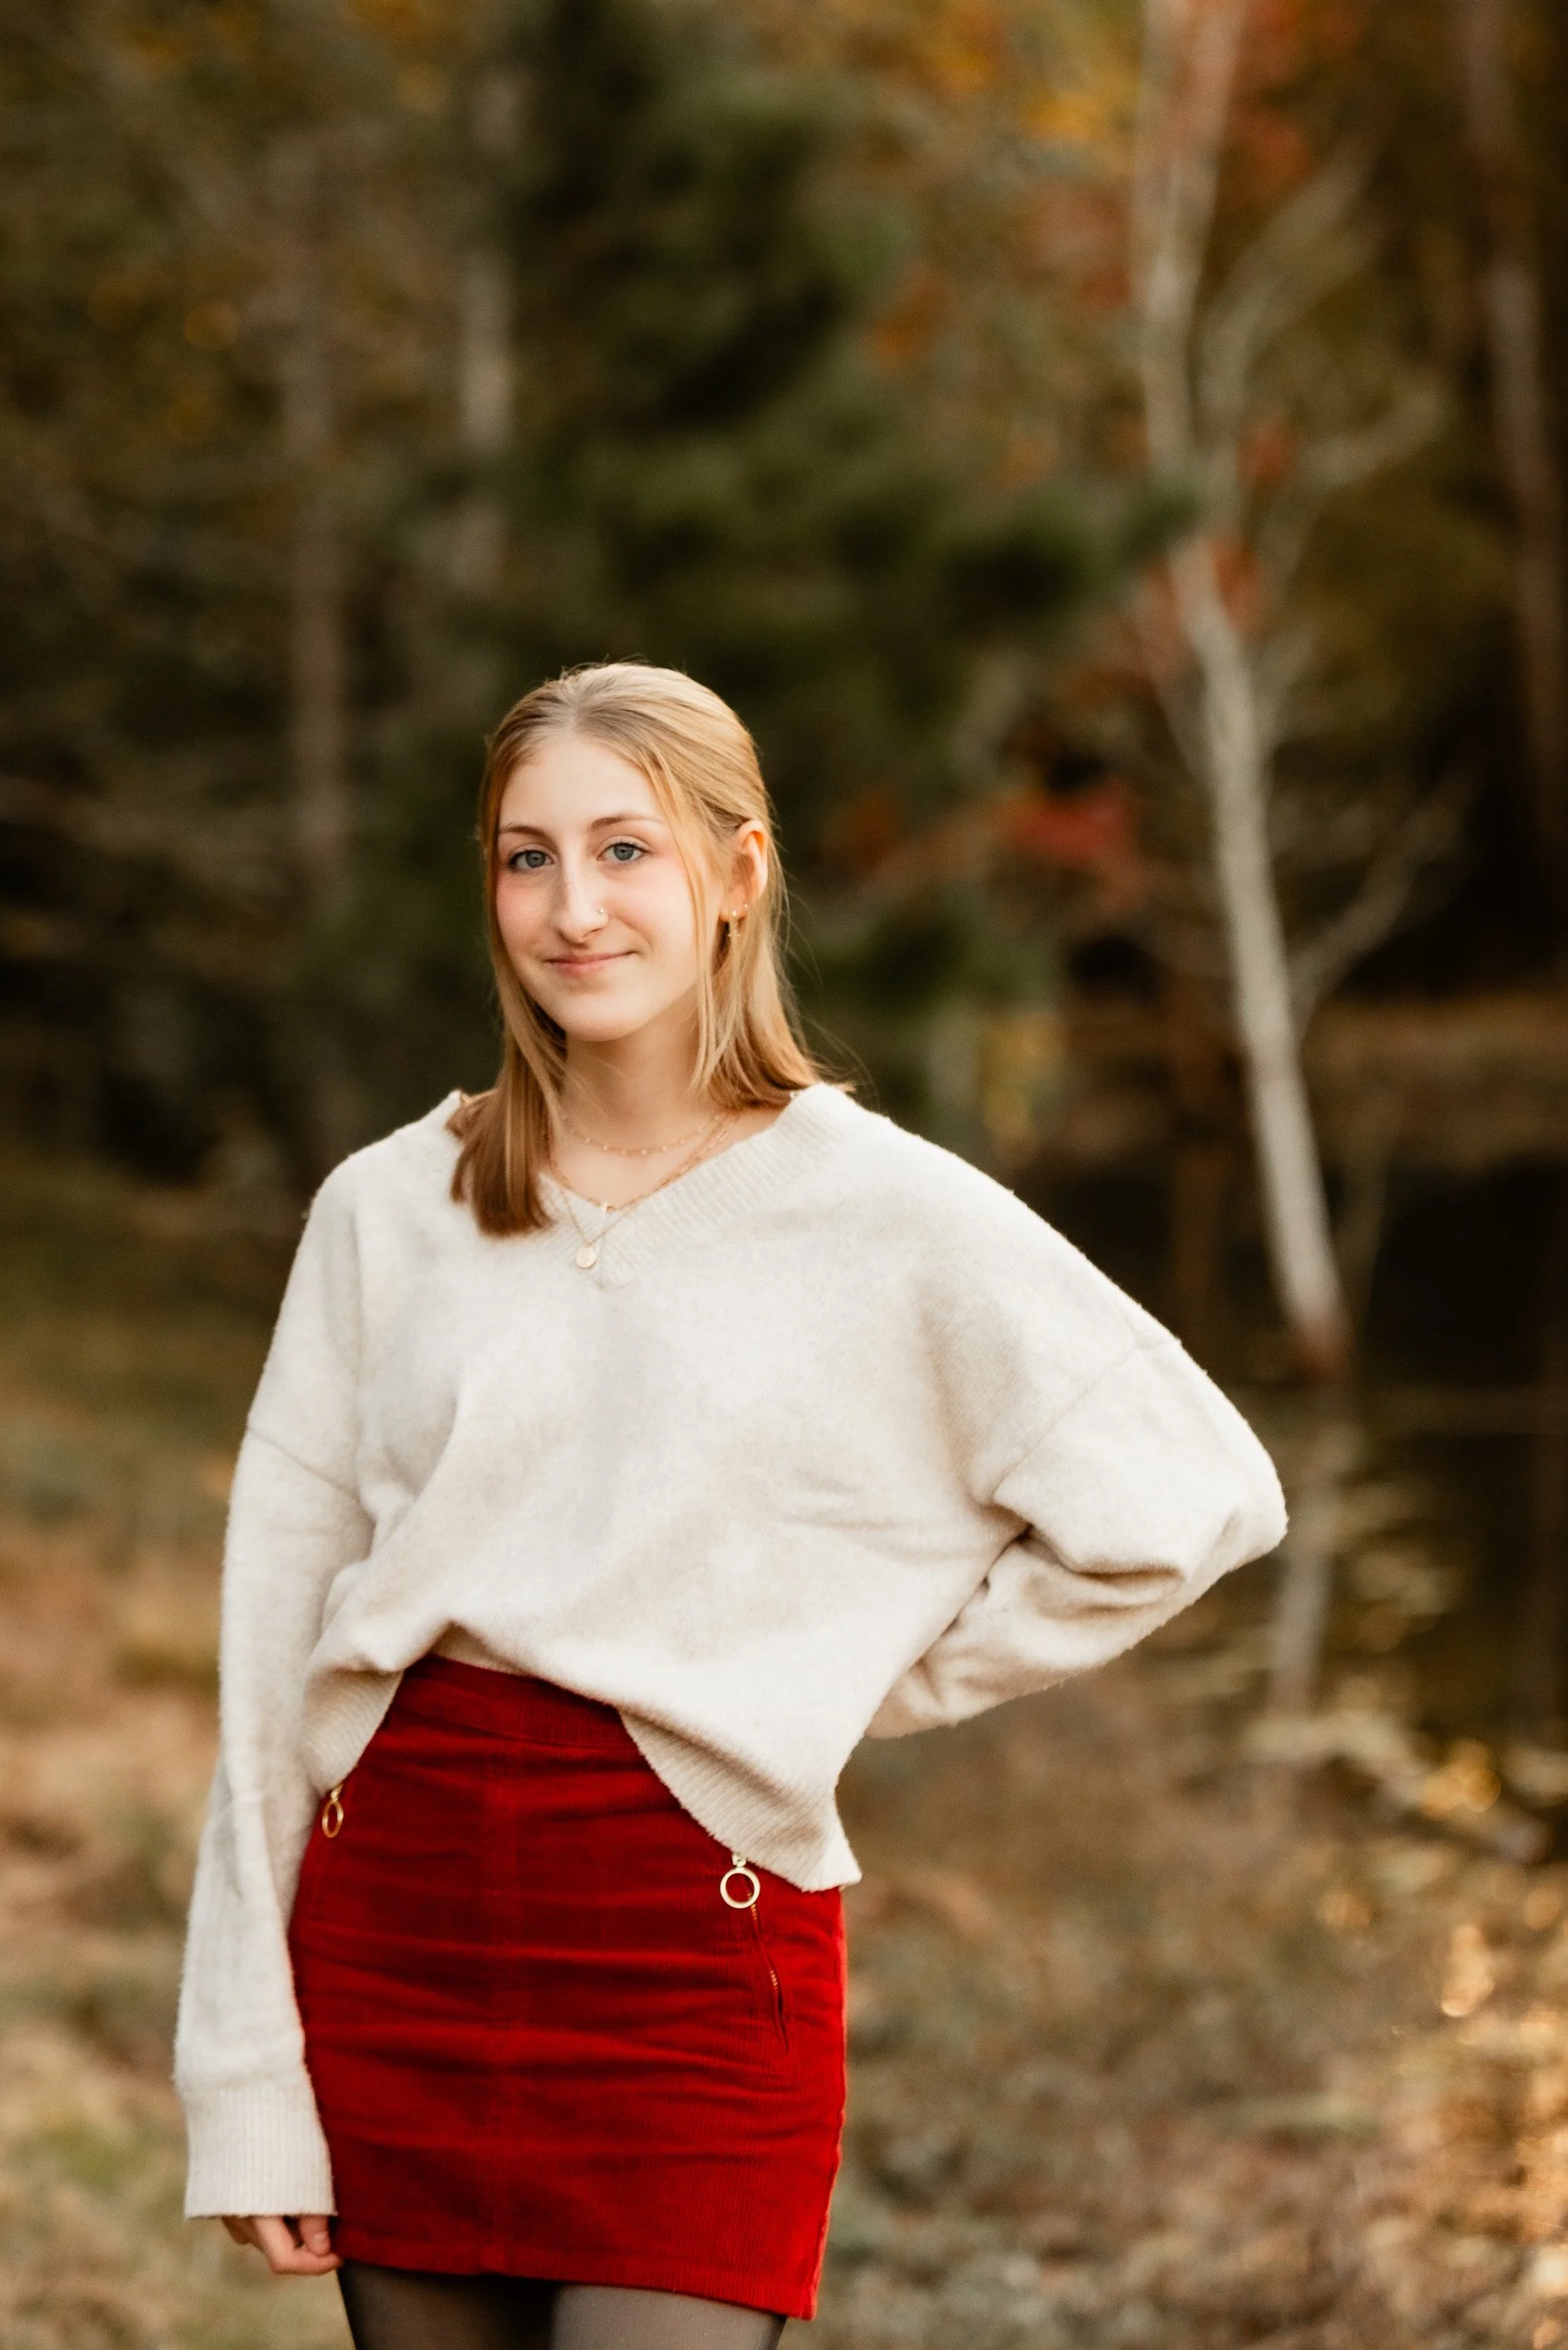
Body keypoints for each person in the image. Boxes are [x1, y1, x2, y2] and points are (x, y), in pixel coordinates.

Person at [173, 661, 1287, 2349]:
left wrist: (829, 1676)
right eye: (525, 855)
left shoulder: (885, 1212)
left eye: (625, 849)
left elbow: (1188, 1496)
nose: (572, 905)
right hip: (398, 1931)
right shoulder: (385, 1211)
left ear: (738, 872)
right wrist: (247, 2069)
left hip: (698, 1954)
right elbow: (272, 1650)